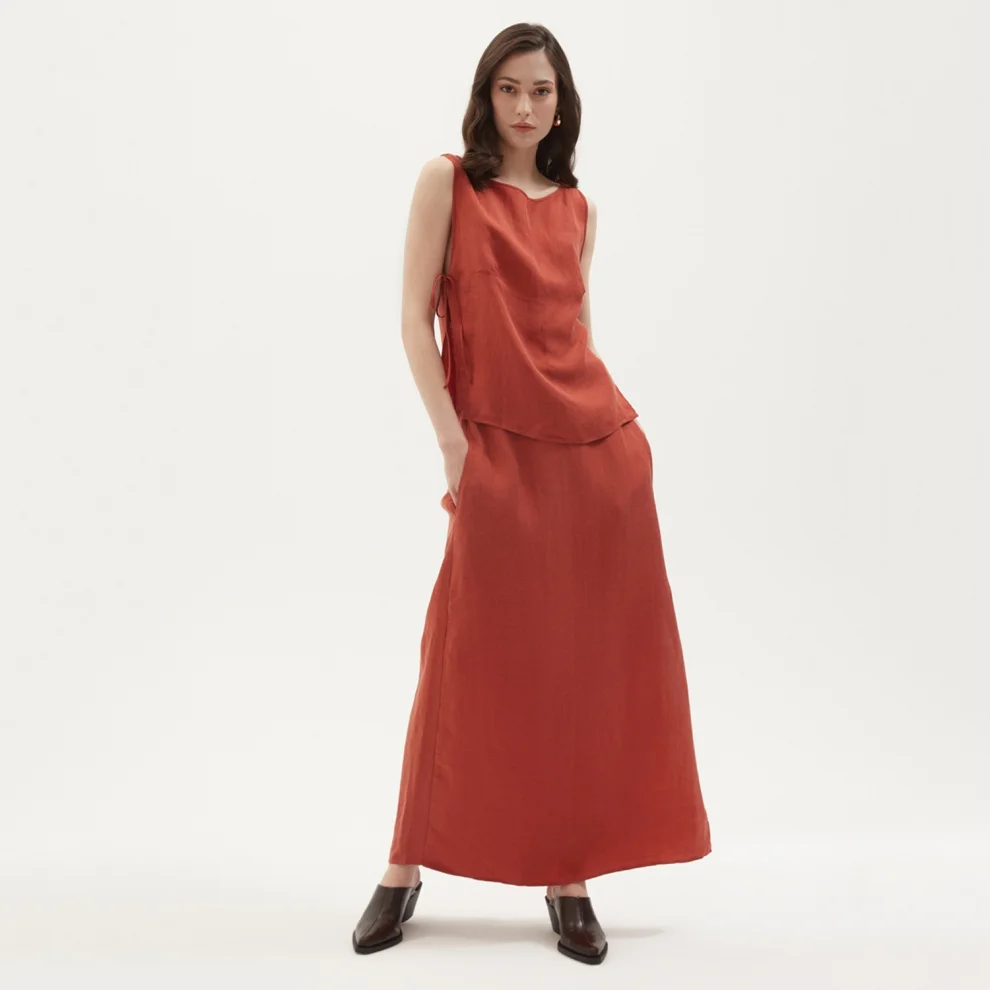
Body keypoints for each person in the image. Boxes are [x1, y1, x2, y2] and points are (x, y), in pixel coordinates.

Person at [352, 22, 712, 964]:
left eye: (541, 91)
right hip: (493, 455)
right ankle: (403, 863)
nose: (523, 106)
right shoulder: (447, 184)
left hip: (596, 461)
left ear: (562, 105)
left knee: (574, 666)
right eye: (508, 88)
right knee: (459, 650)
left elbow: (575, 333)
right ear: (486, 95)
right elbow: (412, 320)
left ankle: (569, 874)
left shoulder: (580, 208)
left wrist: (622, 454)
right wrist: (452, 443)